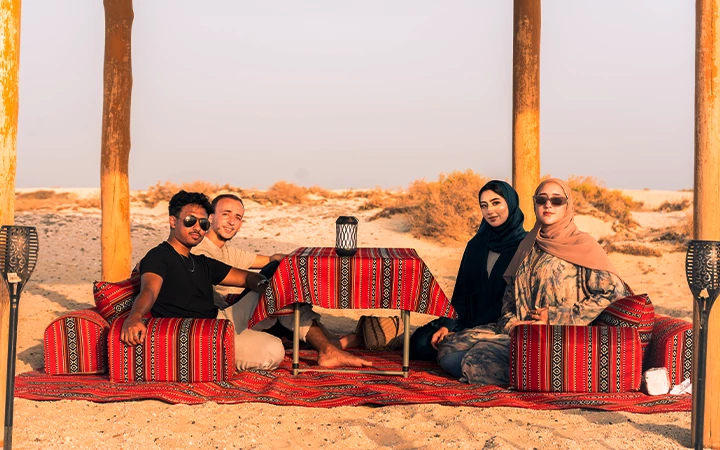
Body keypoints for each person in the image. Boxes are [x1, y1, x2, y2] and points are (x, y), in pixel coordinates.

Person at [437, 178, 632, 384]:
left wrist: (555, 316)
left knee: (476, 360)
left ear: (568, 205)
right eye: (542, 200)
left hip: (556, 334)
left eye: (556, 201)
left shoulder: (582, 244)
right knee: (449, 348)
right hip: (520, 331)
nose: (548, 205)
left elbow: (614, 294)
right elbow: (509, 299)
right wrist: (513, 325)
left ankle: (539, 373)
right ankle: (527, 369)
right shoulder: (528, 244)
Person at [192, 193, 372, 370]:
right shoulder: (201, 251)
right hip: (221, 317)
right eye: (226, 214)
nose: (231, 221)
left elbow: (271, 258)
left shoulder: (226, 251)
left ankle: (327, 343)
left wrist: (304, 261)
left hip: (235, 310)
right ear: (210, 216)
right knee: (276, 280)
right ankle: (328, 346)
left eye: (237, 217)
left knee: (279, 270)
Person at [120, 190, 268, 346]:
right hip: (198, 334)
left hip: (219, 320)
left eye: (203, 223)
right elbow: (149, 290)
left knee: (272, 290)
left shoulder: (201, 262)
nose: (197, 228)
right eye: (190, 220)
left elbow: (247, 277)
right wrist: (134, 317)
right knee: (272, 349)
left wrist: (263, 286)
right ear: (173, 221)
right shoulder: (159, 256)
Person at [408, 180, 527, 363]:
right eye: (484, 206)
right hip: (467, 320)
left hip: (501, 324)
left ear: (510, 203)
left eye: (496, 203)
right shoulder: (477, 245)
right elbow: (462, 295)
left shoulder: (525, 247)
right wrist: (448, 326)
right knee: (420, 342)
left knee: (456, 355)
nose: (490, 211)